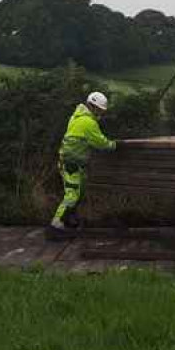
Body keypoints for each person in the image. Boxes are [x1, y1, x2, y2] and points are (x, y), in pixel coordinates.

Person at [46, 91, 118, 240]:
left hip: (68, 161)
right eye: (99, 110)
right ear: (92, 107)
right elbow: (101, 143)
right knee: (72, 195)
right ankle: (55, 226)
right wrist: (115, 145)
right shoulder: (88, 122)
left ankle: (69, 220)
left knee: (78, 192)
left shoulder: (75, 117)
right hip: (72, 164)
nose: (101, 114)